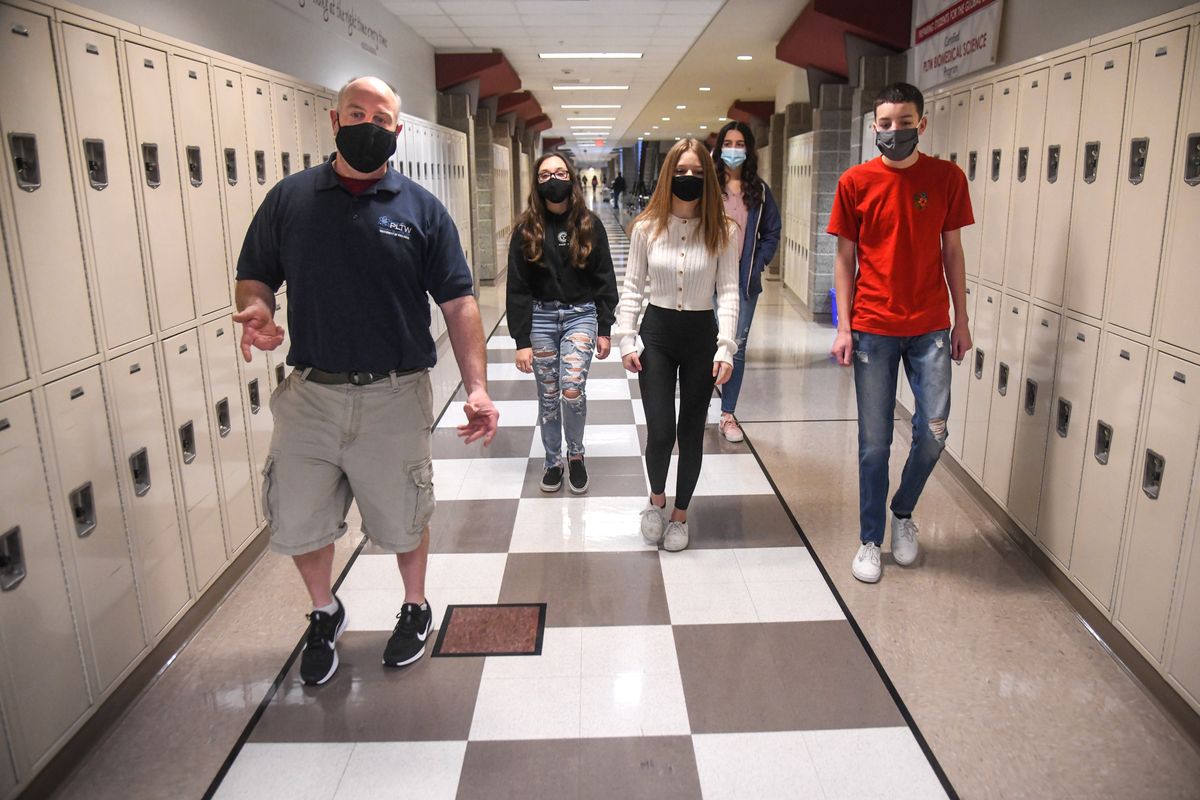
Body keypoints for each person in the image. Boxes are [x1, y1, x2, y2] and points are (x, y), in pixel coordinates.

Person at [233, 76, 499, 685]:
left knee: (404, 516)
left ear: (397, 133)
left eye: (382, 119)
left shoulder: (420, 210)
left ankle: (414, 606)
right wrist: (260, 312)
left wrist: (477, 386)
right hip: (312, 395)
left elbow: (459, 302)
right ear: (334, 120)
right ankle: (324, 611)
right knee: (300, 518)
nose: (369, 125)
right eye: (358, 113)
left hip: (394, 394)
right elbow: (256, 276)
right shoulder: (290, 199)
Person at [827, 82, 973, 584]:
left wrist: (963, 320)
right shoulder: (855, 183)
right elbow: (844, 259)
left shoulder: (947, 178)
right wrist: (844, 326)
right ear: (874, 128)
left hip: (931, 325)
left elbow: (952, 252)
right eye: (885, 124)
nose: (894, 131)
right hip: (873, 327)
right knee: (874, 444)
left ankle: (902, 512)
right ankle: (870, 539)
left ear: (921, 124)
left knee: (933, 433)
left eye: (904, 122)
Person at [615, 137, 739, 552]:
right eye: (681, 172)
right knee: (662, 431)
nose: (689, 179)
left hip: (701, 335)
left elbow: (730, 292)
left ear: (709, 178)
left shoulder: (723, 231)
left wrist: (726, 347)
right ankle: (656, 501)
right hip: (658, 334)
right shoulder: (647, 228)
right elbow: (632, 287)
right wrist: (626, 338)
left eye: (698, 174)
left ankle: (681, 514)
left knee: (691, 433)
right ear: (668, 176)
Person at [506, 154, 618, 493]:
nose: (552, 179)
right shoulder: (526, 229)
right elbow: (517, 287)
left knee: (571, 390)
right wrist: (521, 339)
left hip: (581, 315)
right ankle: (553, 460)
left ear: (570, 177)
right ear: (537, 183)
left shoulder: (589, 224)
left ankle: (576, 455)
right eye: (545, 174)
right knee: (549, 394)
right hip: (540, 317)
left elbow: (604, 277)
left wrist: (605, 327)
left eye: (559, 172)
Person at [711, 122, 781, 443]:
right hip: (708, 280)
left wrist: (759, 263)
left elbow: (772, 232)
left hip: (744, 282)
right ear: (719, 147)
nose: (734, 150)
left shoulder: (760, 192)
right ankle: (696, 408)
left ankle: (727, 414)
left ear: (749, 150)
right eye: (729, 143)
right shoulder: (707, 187)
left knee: (736, 347)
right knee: (707, 346)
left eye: (740, 144)